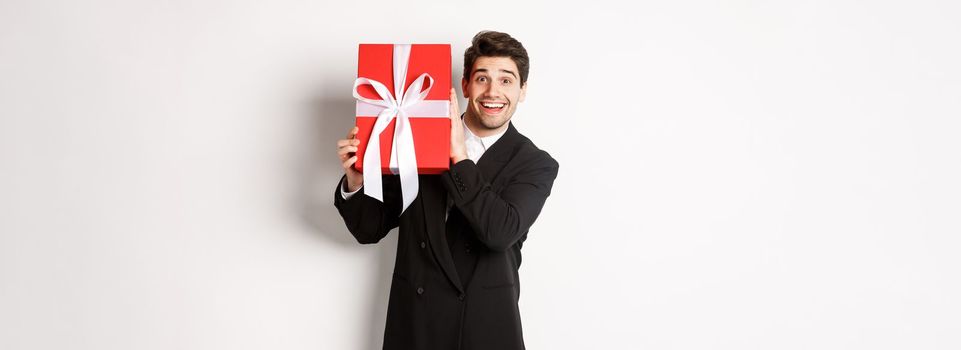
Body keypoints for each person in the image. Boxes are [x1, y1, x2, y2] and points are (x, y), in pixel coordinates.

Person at [334, 30, 559, 350]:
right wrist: (358, 180)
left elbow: (498, 231)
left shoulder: (535, 164)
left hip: (486, 330)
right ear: (465, 85)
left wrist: (457, 156)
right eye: (482, 78)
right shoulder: (413, 141)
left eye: (507, 80)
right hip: (415, 327)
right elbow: (369, 229)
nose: (493, 91)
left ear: (522, 90)